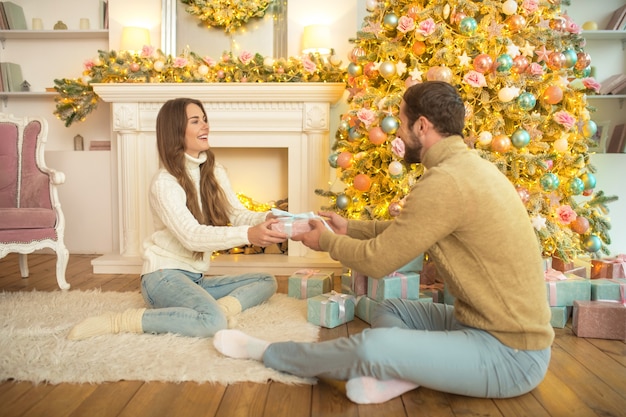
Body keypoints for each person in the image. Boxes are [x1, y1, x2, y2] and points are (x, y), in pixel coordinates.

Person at [212, 81, 554, 404]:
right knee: (389, 309)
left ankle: (264, 351)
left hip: (512, 354)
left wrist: (326, 242)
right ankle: (405, 370)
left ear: (422, 126)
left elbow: (377, 262)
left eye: (401, 124)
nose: (399, 133)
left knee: (373, 346)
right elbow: (409, 229)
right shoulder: (466, 167)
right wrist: (350, 228)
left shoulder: (446, 181)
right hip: (475, 322)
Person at [68, 97, 288, 340]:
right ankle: (120, 321)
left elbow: (236, 214)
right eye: (196, 121)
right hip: (163, 277)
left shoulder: (215, 171)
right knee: (211, 323)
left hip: (196, 279)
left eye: (204, 119)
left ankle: (220, 311)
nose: (205, 125)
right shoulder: (165, 183)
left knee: (266, 281)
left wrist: (270, 217)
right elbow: (192, 236)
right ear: (176, 132)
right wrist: (249, 235)